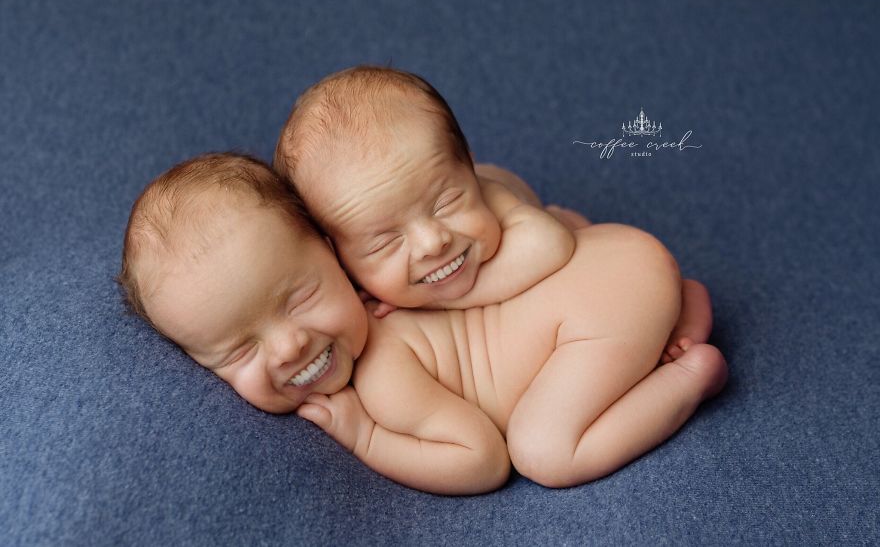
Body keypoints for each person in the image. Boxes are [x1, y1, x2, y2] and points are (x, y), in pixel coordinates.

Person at [118, 153, 728, 494]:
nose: (288, 347)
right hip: (615, 253)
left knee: (543, 452)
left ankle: (690, 375)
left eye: (299, 299)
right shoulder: (402, 266)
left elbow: (481, 460)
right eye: (239, 351)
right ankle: (682, 305)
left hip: (605, 314)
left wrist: (366, 437)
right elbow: (495, 176)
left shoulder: (384, 375)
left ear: (334, 249)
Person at [274, 65, 590, 316]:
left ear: (468, 166)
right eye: (386, 242)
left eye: (446, 204)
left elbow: (550, 245)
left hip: (527, 211)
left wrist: (433, 303)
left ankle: (558, 213)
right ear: (337, 258)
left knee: (575, 238)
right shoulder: (343, 274)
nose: (432, 243)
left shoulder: (490, 194)